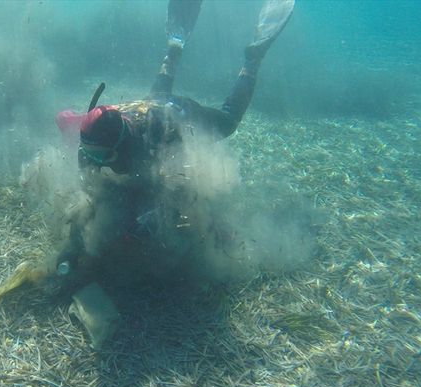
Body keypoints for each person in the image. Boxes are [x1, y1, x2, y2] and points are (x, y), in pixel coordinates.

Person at [52, 0, 296, 291]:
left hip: (175, 113)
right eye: (88, 151)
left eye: (98, 155)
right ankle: (174, 46)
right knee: (156, 94)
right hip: (144, 107)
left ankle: (252, 60)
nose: (91, 159)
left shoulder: (153, 143)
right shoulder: (95, 139)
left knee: (227, 121)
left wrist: (195, 220)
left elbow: (184, 186)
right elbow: (67, 122)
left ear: (119, 145)